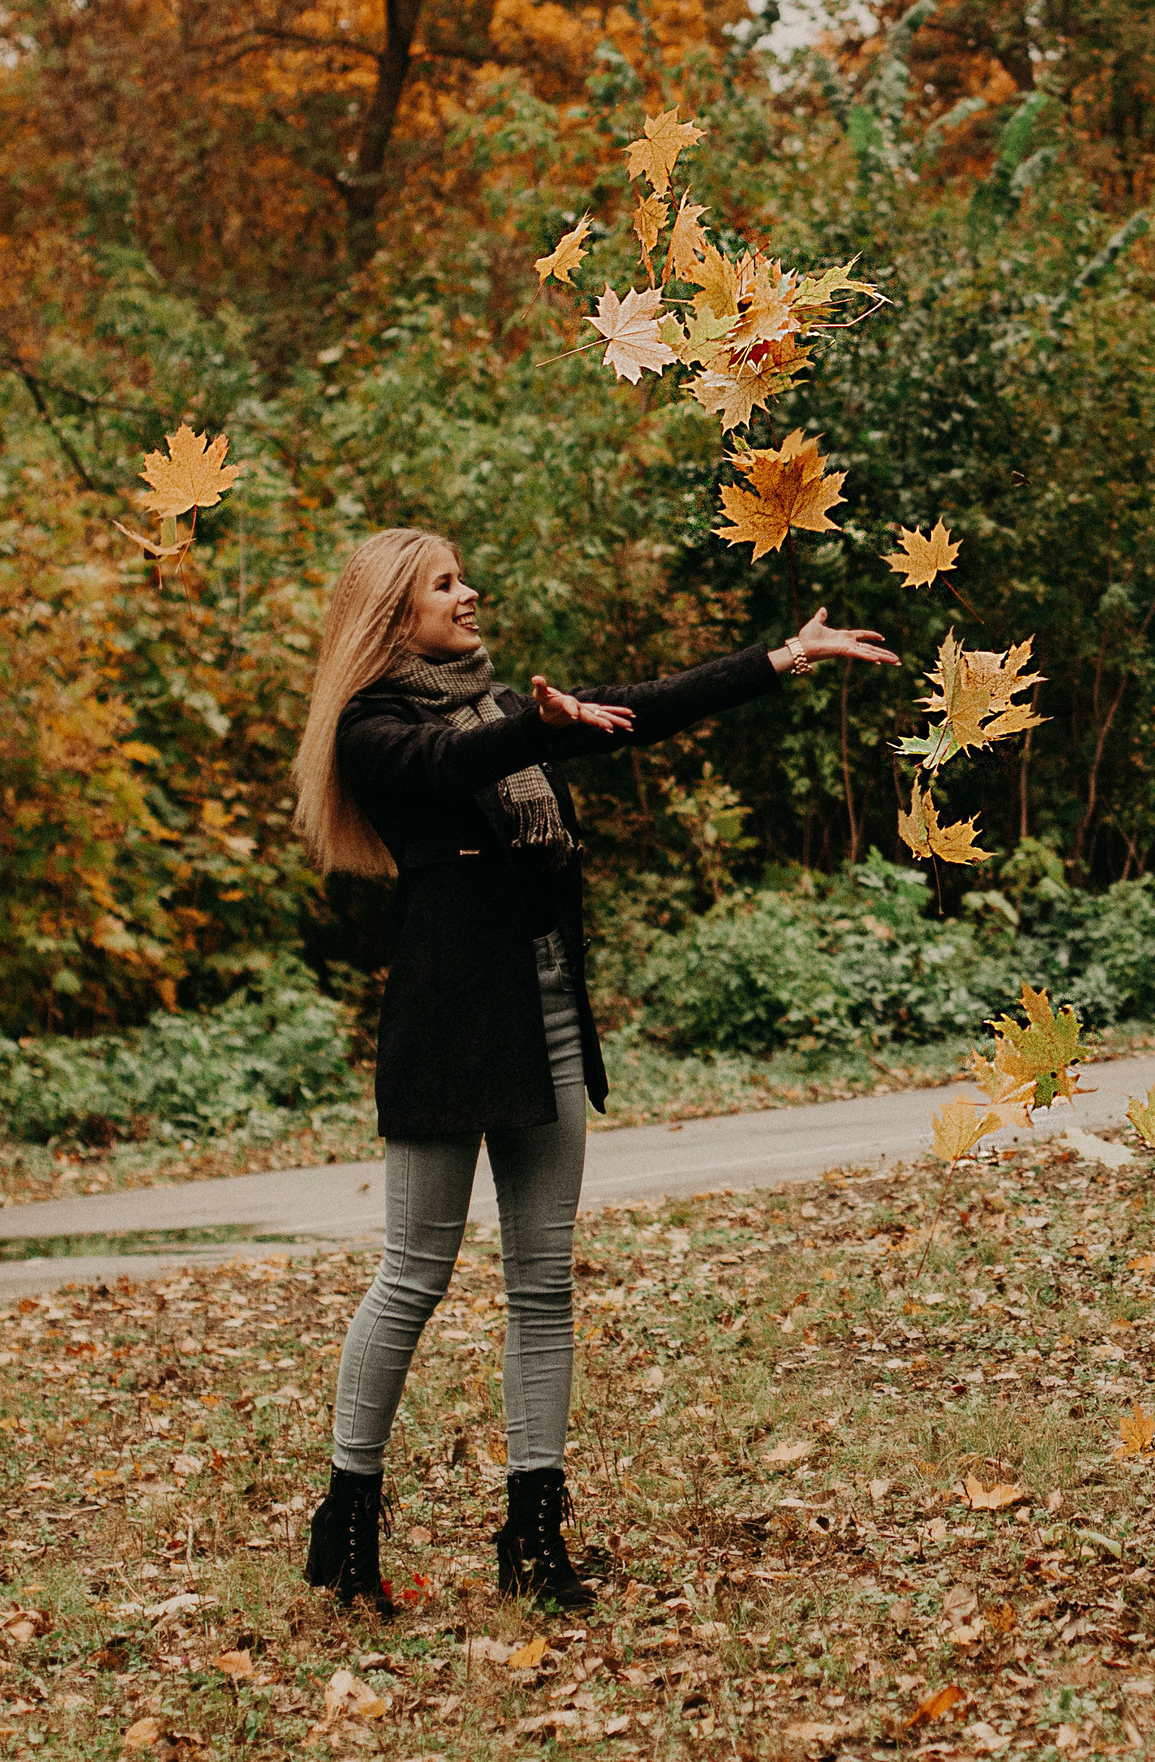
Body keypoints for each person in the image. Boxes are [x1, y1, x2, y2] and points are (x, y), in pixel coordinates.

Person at [288, 527, 896, 1611]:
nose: (469, 592)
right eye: (444, 582)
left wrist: (782, 658)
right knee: (414, 1273)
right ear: (394, 615)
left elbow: (643, 704)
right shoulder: (376, 726)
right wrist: (534, 716)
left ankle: (532, 1536)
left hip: (544, 1008)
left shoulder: (491, 708)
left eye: (464, 574)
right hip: (445, 1025)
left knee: (543, 1280)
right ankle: (347, 1520)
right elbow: (444, 766)